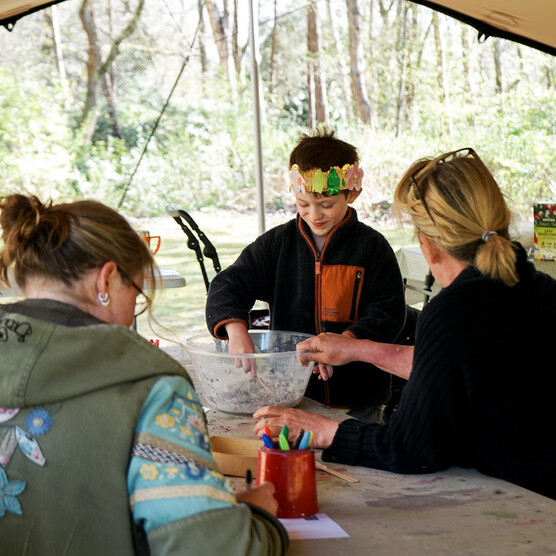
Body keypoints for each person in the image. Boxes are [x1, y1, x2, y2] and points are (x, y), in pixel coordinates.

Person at [253, 147, 556, 501]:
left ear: (428, 246)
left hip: (530, 505)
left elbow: (410, 448)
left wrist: (321, 430)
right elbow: (463, 367)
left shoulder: (452, 314)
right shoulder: (542, 291)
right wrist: (361, 349)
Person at [0, 194, 288, 555]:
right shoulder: (150, 387)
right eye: (134, 294)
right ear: (105, 281)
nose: (130, 314)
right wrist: (255, 518)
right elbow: (213, 547)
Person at [205, 129, 406, 422]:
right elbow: (228, 284)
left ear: (352, 193)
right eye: (303, 204)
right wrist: (236, 329)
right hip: (292, 394)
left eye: (327, 204)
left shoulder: (372, 248)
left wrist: (346, 343)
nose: (314, 215)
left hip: (360, 398)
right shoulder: (277, 245)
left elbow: (388, 313)